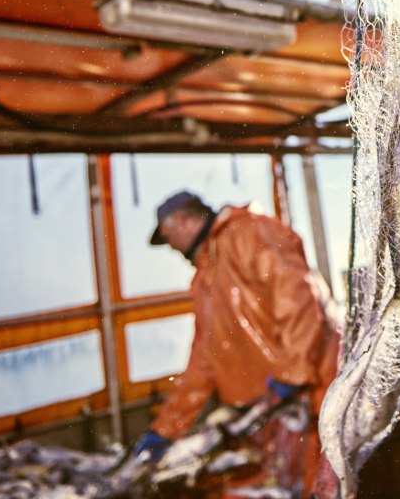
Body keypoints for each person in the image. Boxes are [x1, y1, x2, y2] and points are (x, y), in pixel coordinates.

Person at [130, 190, 341, 496]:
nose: (171, 247)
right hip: (265, 418)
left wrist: (291, 378)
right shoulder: (205, 279)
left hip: (309, 405)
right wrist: (165, 429)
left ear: (183, 221)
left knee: (317, 487)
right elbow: (203, 361)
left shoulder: (248, 232)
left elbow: (298, 298)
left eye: (168, 236)